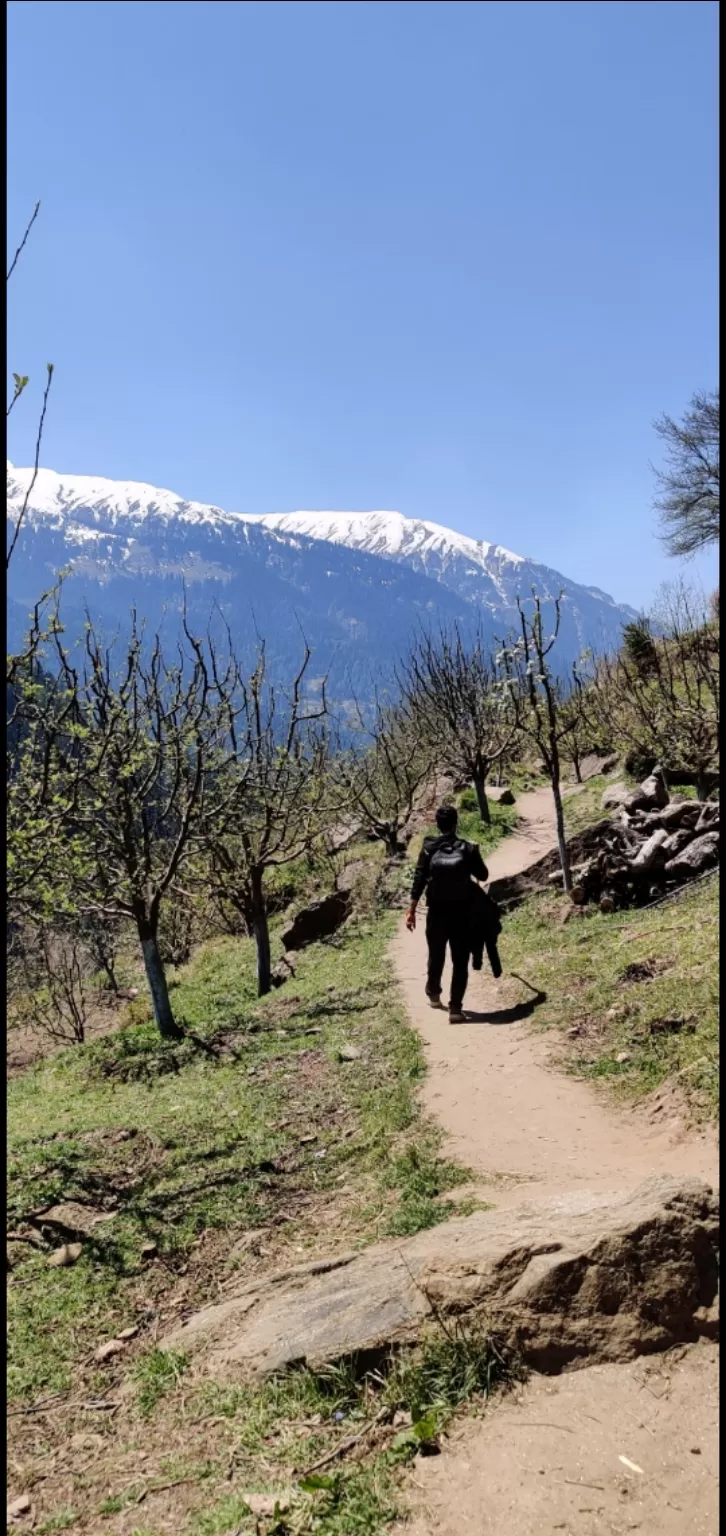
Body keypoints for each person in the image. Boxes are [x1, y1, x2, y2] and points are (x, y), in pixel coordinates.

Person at [405, 803, 488, 1023]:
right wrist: (475, 854)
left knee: (436, 955)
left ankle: (433, 993)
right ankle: (456, 1009)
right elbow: (483, 874)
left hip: (437, 913)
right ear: (455, 823)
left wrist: (412, 909)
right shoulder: (467, 848)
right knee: (460, 960)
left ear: (437, 824)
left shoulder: (428, 848)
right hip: (462, 914)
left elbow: (419, 878)